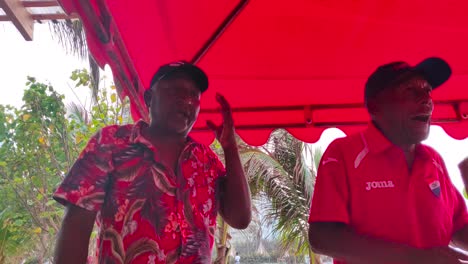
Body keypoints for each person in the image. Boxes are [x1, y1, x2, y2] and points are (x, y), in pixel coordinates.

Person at [53, 61, 252, 263]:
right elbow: (76, 224)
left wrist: (230, 146)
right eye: (175, 90)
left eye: (194, 95)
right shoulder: (111, 143)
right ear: (149, 98)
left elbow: (240, 218)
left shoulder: (206, 160)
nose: (187, 100)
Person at [308, 57, 468, 263]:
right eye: (410, 90)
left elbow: (459, 226)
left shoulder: (433, 161)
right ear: (375, 107)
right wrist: (416, 258)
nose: (426, 99)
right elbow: (322, 237)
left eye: (427, 90)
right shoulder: (343, 154)